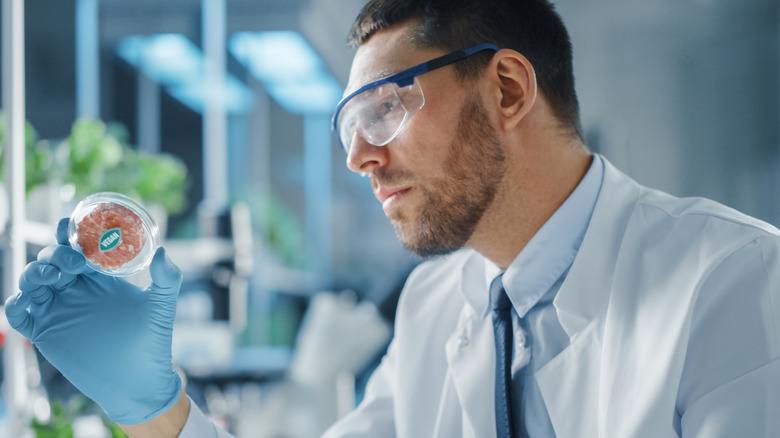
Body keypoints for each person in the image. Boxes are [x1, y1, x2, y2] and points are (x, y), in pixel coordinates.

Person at [6, 0, 780, 436]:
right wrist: (155, 407)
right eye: (348, 127)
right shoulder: (435, 307)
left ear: (508, 89)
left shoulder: (737, 284)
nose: (358, 157)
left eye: (383, 110)